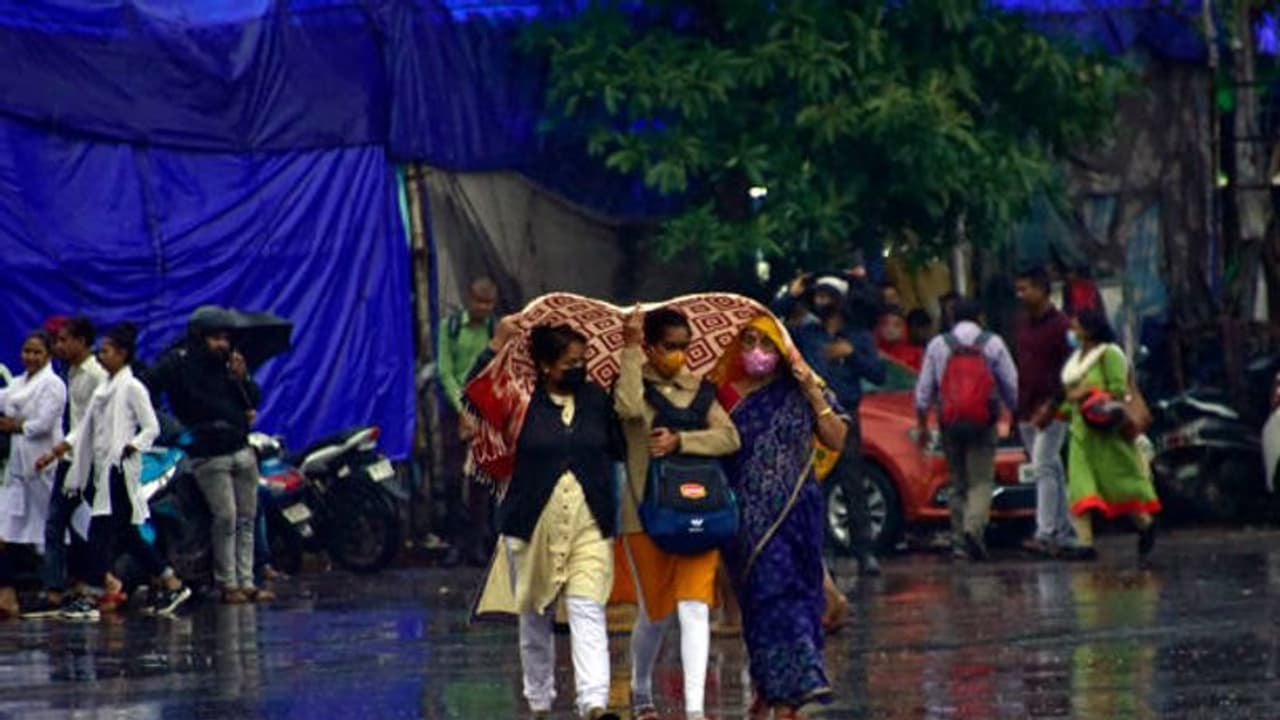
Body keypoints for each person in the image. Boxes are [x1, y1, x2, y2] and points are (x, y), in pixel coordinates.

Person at [712, 315, 848, 719]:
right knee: (765, 604)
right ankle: (778, 687)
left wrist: (812, 391)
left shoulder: (802, 388)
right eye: (749, 341)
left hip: (799, 514)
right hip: (749, 521)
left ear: (782, 349)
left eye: (766, 343)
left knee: (802, 597)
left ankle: (800, 684)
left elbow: (837, 438)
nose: (756, 350)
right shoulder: (725, 394)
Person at [487, 320, 623, 720]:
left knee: (587, 608)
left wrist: (630, 354)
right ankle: (540, 702)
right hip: (531, 527)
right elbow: (481, 398)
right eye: (570, 362)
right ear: (546, 365)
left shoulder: (597, 400)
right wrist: (501, 344)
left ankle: (594, 704)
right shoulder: (521, 401)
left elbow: (619, 439)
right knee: (535, 616)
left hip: (589, 524)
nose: (579, 368)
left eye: (583, 360)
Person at [612, 307, 741, 720]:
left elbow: (729, 437)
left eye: (685, 347)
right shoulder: (630, 380)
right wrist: (629, 351)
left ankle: (695, 710)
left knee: (695, 607)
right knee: (656, 611)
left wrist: (682, 441)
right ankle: (641, 688)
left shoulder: (701, 390)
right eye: (670, 347)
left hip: (699, 510)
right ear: (651, 347)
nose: (679, 355)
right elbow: (629, 410)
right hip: (645, 514)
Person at [38, 323, 193, 619]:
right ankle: (171, 582)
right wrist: (61, 451)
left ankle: (94, 593)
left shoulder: (132, 387)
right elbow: (86, 426)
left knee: (101, 530)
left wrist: (133, 446)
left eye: (106, 351)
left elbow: (151, 427)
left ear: (122, 354)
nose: (101, 356)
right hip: (101, 468)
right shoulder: (106, 388)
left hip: (120, 469)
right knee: (126, 532)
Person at [142, 310, 273, 604]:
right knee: (225, 517)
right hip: (208, 456)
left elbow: (251, 401)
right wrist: (170, 427)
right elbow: (145, 388)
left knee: (246, 519)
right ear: (200, 338)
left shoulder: (229, 367)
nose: (222, 345)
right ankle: (228, 585)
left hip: (240, 449)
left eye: (226, 338)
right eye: (216, 338)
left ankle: (248, 581)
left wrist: (244, 379)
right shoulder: (178, 364)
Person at [776, 274, 886, 575]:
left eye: (827, 297)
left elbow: (878, 373)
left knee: (853, 482)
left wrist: (851, 355)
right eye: (817, 297)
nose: (821, 302)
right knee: (814, 486)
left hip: (846, 416)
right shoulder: (807, 334)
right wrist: (790, 294)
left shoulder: (858, 336)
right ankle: (820, 556)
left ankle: (865, 552)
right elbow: (773, 327)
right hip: (812, 416)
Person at [915, 299, 1018, 561]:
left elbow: (924, 390)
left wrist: (922, 423)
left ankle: (960, 540)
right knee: (981, 480)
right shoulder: (992, 343)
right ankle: (974, 528)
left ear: (951, 317)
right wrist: (1013, 411)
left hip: (950, 421)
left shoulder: (939, 345)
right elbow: (1011, 384)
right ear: (980, 317)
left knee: (956, 481)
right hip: (983, 422)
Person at [23, 316, 107, 618]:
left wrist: (57, 449)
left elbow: (90, 422)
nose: (59, 346)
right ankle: (56, 590)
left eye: (63, 340)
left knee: (111, 525)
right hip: (73, 461)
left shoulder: (97, 375)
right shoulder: (73, 371)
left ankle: (162, 575)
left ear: (82, 342)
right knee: (56, 521)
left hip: (94, 461)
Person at [1060, 309, 1160, 561]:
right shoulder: (1075, 360)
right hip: (1080, 433)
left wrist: (1087, 392)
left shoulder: (1110, 354)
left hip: (1106, 432)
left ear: (1090, 329)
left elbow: (1118, 389)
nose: (1072, 329)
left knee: (1119, 484)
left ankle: (1146, 525)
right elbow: (1069, 396)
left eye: (1077, 324)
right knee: (1080, 486)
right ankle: (1085, 543)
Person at [1013, 268, 1079, 558]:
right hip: (1027, 407)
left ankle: (1045, 531)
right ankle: (1066, 531)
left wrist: (1051, 406)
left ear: (1043, 290)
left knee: (1043, 465)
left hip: (1052, 408)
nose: (1021, 295)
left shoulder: (1062, 326)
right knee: (1051, 468)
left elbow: (1069, 372)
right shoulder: (1023, 324)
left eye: (1026, 288)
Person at [436, 277, 499, 567]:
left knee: (480, 480)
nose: (483, 308)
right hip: (454, 410)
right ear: (468, 299)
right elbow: (445, 371)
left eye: (489, 304)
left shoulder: (493, 330)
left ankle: (476, 544)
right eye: (479, 302)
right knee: (452, 477)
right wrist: (462, 408)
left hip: (484, 411)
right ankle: (454, 542)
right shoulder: (449, 329)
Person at [0, 331, 65, 556]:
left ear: (48, 355)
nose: (30, 357)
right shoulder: (18, 384)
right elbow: (3, 397)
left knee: (50, 528)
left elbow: (43, 424)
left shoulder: (53, 384)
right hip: (19, 466)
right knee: (8, 525)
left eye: (37, 352)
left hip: (44, 463)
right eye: (27, 351)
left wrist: (15, 426)